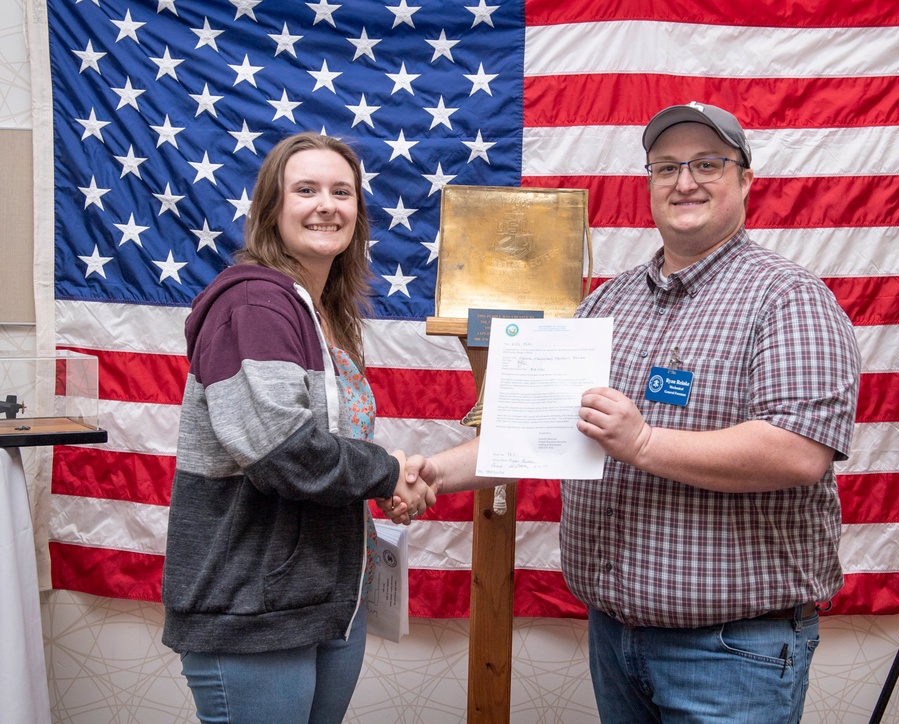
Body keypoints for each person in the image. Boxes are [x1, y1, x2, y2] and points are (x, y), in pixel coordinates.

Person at [396, 102, 861, 723]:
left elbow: (799, 452)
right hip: (615, 639)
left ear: (745, 179)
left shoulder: (789, 300)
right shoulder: (606, 304)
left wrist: (642, 443)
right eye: (665, 168)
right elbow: (538, 433)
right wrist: (433, 472)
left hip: (730, 652)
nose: (684, 182)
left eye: (707, 164)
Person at [161, 131, 435, 724]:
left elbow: (331, 452)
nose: (326, 205)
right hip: (253, 607)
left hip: (328, 594)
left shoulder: (322, 313)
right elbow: (284, 452)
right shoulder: (254, 306)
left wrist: (383, 478)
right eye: (305, 189)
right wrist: (388, 472)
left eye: (342, 192)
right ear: (271, 209)